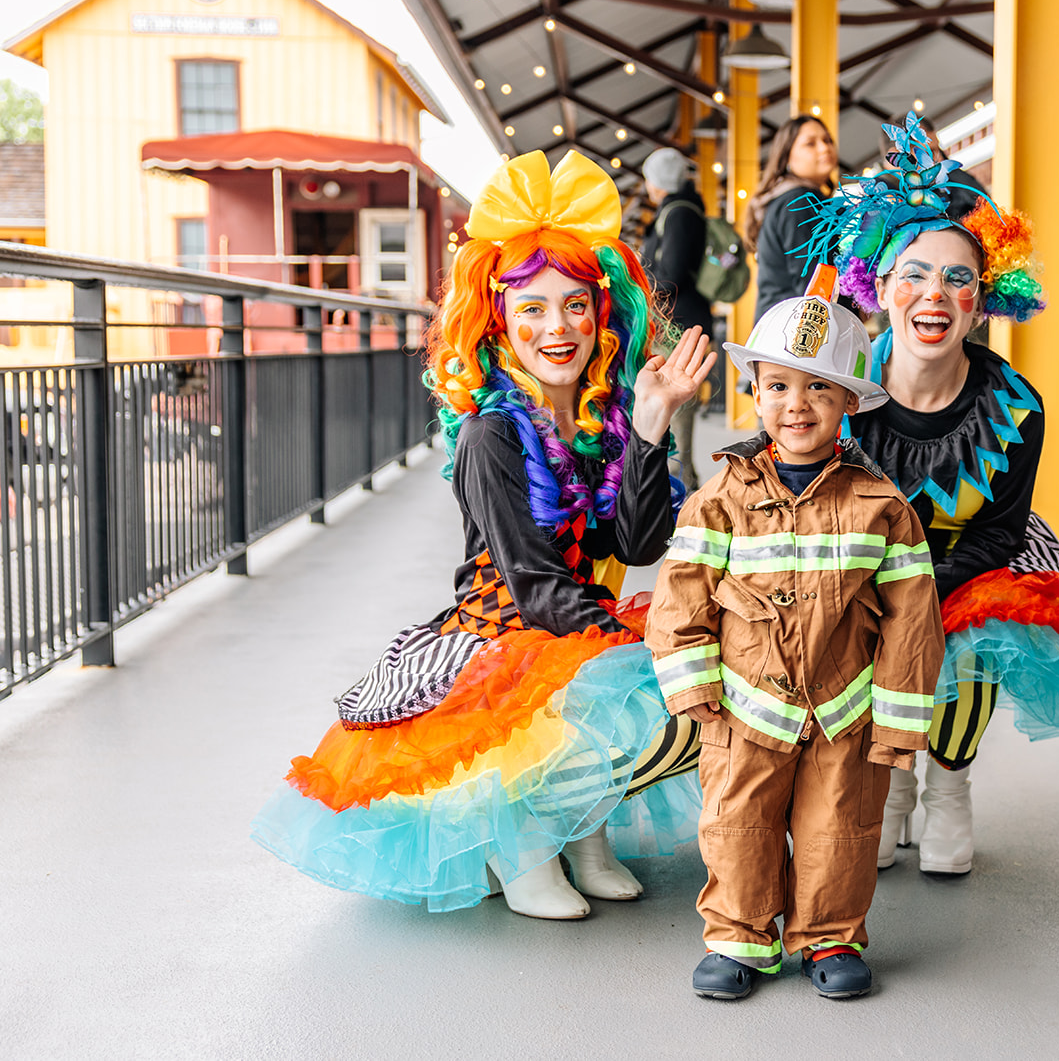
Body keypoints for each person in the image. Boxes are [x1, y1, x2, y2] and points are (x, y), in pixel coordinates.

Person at [252, 150, 717, 919]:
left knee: (684, 681)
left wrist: (650, 426)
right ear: (498, 320)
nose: (556, 327)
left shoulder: (601, 421)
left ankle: (582, 833)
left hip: (575, 624)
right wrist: (637, 645)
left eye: (575, 305)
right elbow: (534, 587)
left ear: (604, 315)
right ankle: (522, 842)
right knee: (639, 684)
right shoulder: (489, 435)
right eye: (532, 307)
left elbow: (637, 546)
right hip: (508, 635)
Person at [802, 113, 1059, 877]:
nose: (934, 294)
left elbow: (999, 534)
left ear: (982, 298)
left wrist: (915, 588)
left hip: (974, 562)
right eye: (913, 275)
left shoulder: (1017, 409)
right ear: (878, 288)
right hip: (860, 561)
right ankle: (890, 780)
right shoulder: (836, 391)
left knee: (977, 635)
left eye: (957, 278)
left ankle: (949, 785)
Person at [646, 267, 943, 1000]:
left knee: (839, 827)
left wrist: (897, 723)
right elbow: (681, 591)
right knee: (737, 821)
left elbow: (912, 619)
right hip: (744, 704)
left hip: (846, 707)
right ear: (755, 393)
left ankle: (830, 935)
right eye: (777, 385)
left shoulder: (883, 506)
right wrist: (693, 682)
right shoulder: (720, 498)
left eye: (818, 388)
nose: (796, 404)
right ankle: (739, 937)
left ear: (849, 402)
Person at [640, 147, 713, 490]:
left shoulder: (679, 213)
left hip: (678, 326)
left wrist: (640, 280)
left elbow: (671, 274)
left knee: (676, 410)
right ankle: (680, 486)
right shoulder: (682, 209)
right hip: (679, 321)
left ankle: (683, 492)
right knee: (673, 411)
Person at [744, 115, 838, 323]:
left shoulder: (787, 198)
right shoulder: (800, 201)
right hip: (793, 329)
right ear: (787, 156)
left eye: (827, 140)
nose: (825, 148)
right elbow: (812, 281)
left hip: (778, 323)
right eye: (810, 143)